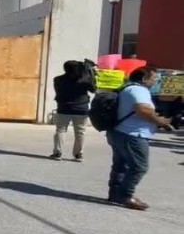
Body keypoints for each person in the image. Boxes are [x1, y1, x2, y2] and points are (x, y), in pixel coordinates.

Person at [106, 66, 171, 210]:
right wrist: (158, 121)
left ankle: (115, 193)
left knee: (121, 165)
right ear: (144, 79)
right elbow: (142, 109)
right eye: (154, 78)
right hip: (133, 135)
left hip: (120, 132)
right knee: (139, 167)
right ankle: (126, 196)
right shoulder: (139, 90)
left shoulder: (126, 87)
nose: (155, 81)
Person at [51, 61, 97, 161]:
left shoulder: (58, 79)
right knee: (80, 132)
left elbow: (59, 91)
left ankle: (57, 153)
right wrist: (91, 74)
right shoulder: (85, 80)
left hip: (64, 108)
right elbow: (94, 89)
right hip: (81, 109)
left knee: (60, 130)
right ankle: (78, 155)